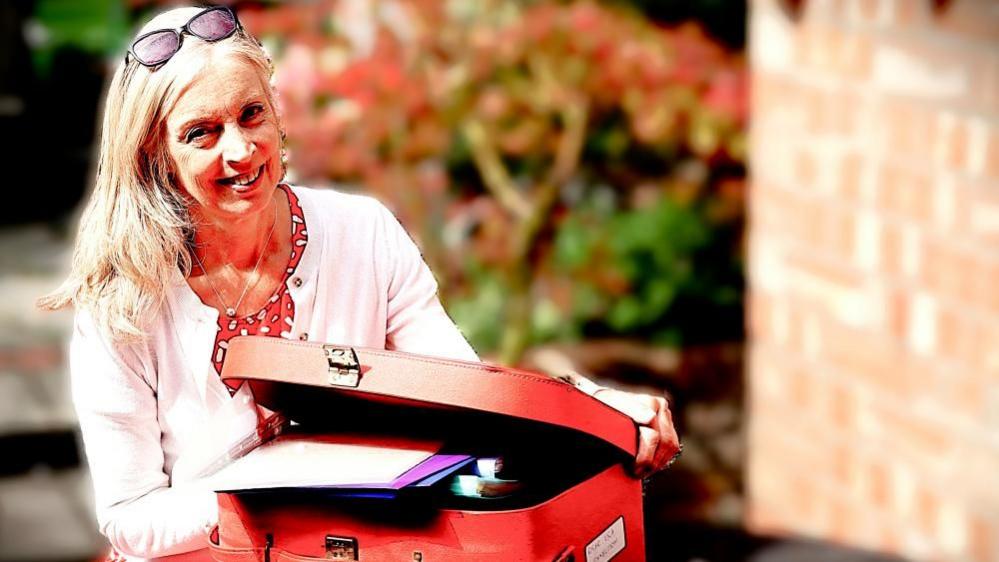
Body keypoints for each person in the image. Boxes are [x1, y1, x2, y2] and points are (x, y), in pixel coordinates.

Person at [39, 6, 679, 560]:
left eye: (251, 114)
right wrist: (281, 494)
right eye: (201, 133)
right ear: (156, 159)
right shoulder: (121, 306)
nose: (240, 151)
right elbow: (129, 515)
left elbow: (463, 390)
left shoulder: (361, 232)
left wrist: (593, 411)